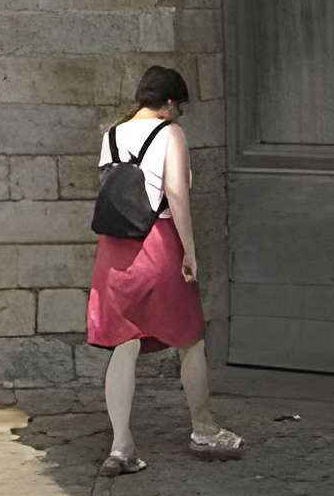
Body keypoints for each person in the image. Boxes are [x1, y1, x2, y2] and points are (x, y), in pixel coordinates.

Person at [88, 65, 242, 473]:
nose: (179, 114)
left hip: (115, 249)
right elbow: (175, 192)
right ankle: (203, 429)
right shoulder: (171, 133)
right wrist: (189, 249)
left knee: (124, 342)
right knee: (190, 338)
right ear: (170, 103)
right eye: (179, 106)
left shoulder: (112, 135)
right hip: (157, 243)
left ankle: (120, 447)